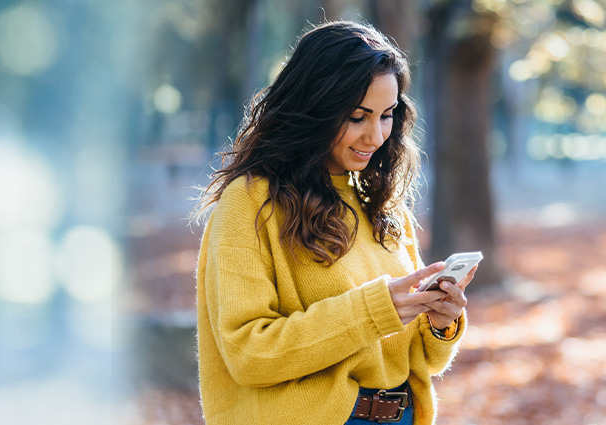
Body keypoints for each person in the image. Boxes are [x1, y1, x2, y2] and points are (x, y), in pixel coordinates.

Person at [192, 21, 474, 425]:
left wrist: (440, 322)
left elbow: (419, 362)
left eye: (387, 115)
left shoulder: (381, 203)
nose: (375, 136)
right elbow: (248, 353)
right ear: (316, 107)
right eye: (358, 117)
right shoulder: (252, 201)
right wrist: (375, 309)